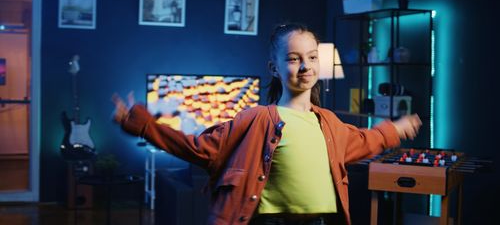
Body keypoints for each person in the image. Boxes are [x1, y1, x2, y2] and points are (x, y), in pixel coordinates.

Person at [112, 23, 422, 225]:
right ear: (274, 68)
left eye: (312, 57)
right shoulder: (256, 118)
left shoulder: (328, 123)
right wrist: (142, 125)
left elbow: (363, 141)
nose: (305, 66)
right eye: (293, 58)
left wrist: (394, 129)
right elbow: (200, 148)